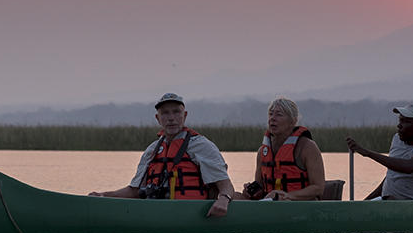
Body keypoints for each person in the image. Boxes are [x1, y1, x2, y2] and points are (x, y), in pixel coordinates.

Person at [89, 93, 238, 217]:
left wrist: (223, 201)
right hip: (157, 214)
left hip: (193, 215)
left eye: (176, 112)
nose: (171, 118)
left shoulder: (202, 146)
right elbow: (134, 191)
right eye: (165, 113)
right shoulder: (152, 150)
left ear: (184, 115)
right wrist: (102, 196)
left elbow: (226, 186)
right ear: (158, 118)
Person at [345, 102, 413, 200]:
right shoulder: (397, 139)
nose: (399, 125)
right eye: (400, 120)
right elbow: (392, 175)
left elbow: (408, 167)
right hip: (387, 201)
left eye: (405, 122)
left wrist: (368, 153)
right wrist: (364, 202)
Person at [241, 97, 326, 202]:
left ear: (293, 121)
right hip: (270, 205)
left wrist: (287, 196)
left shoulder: (308, 148)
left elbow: (318, 188)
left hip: (301, 206)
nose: (272, 118)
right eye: (271, 114)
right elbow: (260, 185)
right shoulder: (262, 151)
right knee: (235, 196)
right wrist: (251, 192)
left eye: (279, 115)